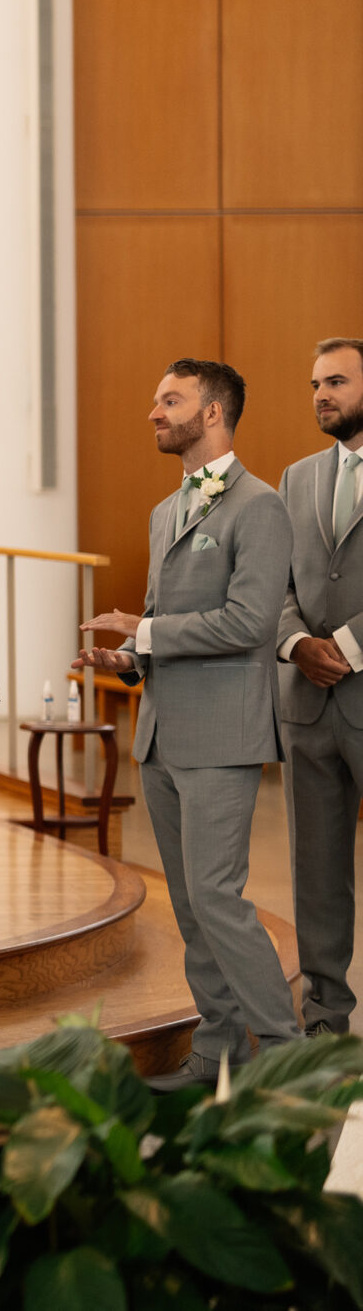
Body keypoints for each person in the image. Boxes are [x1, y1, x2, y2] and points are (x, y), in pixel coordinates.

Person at [76, 358, 301, 1090]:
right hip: (162, 734)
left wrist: (144, 631)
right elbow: (161, 627)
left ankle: (292, 1059)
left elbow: (248, 621)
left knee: (218, 898)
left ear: (213, 412)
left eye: (169, 399)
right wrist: (126, 658)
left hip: (223, 736)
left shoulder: (260, 506)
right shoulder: (164, 510)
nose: (153, 410)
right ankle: (215, 1051)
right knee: (191, 907)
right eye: (154, 397)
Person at [276, 339, 363, 1035]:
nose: (320, 395)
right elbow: (275, 584)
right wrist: (295, 642)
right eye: (314, 383)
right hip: (307, 707)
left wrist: (349, 645)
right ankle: (325, 1020)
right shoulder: (295, 477)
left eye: (335, 381)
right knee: (317, 872)